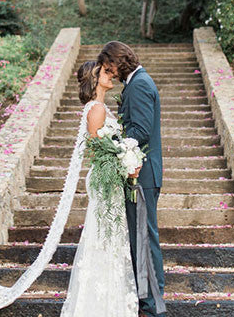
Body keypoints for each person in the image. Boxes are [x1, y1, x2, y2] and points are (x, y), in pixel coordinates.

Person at [60, 61, 140, 317]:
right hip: (105, 181)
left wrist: (128, 159)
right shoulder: (96, 109)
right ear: (94, 79)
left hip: (109, 181)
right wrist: (126, 163)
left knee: (110, 239)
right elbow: (98, 151)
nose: (112, 74)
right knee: (105, 239)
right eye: (106, 72)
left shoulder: (101, 107)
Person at [98, 42, 165, 317]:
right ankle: (146, 301)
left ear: (118, 61)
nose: (110, 74)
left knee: (145, 239)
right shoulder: (138, 81)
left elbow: (141, 130)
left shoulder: (138, 84)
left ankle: (153, 306)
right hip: (142, 173)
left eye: (109, 67)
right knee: (141, 238)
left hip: (142, 175)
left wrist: (112, 148)